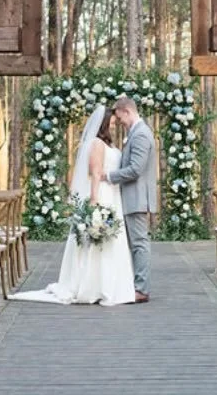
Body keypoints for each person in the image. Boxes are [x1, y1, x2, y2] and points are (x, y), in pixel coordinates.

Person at [9, 104, 135, 306]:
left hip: (113, 194)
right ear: (104, 123)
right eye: (112, 121)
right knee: (97, 239)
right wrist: (94, 200)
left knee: (110, 240)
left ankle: (110, 283)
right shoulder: (96, 144)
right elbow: (95, 173)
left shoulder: (108, 144)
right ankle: (93, 285)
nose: (115, 123)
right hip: (102, 194)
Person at [102, 95, 156, 302]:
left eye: (120, 118)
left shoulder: (141, 134)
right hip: (132, 197)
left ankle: (142, 289)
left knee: (140, 244)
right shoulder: (135, 132)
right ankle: (135, 285)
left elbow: (135, 169)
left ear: (127, 111)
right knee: (135, 243)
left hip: (137, 198)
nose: (120, 122)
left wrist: (109, 176)